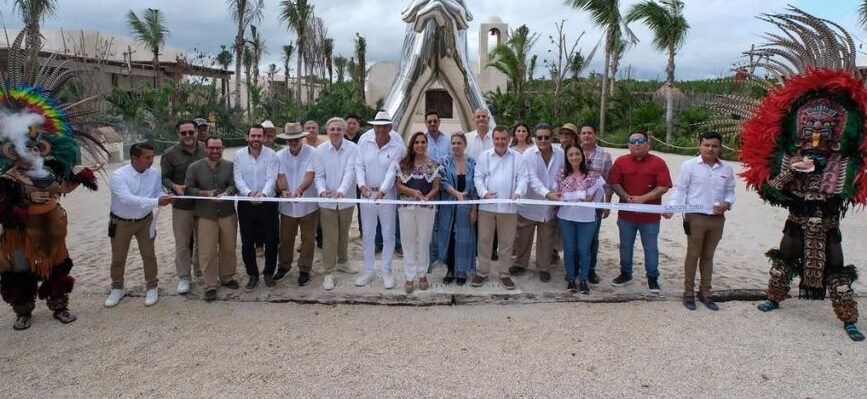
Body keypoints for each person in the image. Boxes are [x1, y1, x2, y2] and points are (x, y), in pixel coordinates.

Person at [0, 134, 103, 329]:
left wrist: (84, 174)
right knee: (20, 271)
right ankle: (23, 312)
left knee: (58, 268)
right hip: (22, 235)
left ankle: (59, 307)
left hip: (53, 229)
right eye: (29, 149)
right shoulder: (7, 179)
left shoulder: (48, 171)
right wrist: (25, 200)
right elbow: (2, 209)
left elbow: (65, 187)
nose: (35, 152)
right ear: (17, 154)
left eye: (37, 148)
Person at [665, 131, 735, 311]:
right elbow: (681, 189)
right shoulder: (689, 166)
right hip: (695, 217)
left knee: (708, 256)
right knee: (693, 254)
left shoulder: (726, 168)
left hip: (717, 219)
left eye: (714, 146)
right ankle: (688, 292)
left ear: (720, 147)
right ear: (700, 145)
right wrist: (672, 208)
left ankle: (706, 293)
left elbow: (730, 191)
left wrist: (727, 203)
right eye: (707, 145)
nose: (710, 149)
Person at [106, 143, 174, 308]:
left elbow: (157, 192)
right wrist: (157, 201)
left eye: (152, 157)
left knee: (149, 255)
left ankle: (152, 286)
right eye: (147, 157)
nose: (151, 161)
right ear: (135, 158)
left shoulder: (154, 174)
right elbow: (127, 200)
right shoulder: (118, 176)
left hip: (145, 220)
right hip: (121, 222)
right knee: (119, 257)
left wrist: (166, 196)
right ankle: (117, 288)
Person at [607, 131, 672, 293]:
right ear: (628, 145)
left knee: (650, 248)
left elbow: (663, 187)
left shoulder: (658, 163)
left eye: (641, 141)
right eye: (633, 141)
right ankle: (625, 273)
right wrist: (625, 196)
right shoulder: (621, 162)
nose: (637, 144)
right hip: (626, 215)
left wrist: (643, 198)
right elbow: (614, 182)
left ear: (648, 144)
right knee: (625, 246)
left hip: (650, 217)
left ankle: (652, 277)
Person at [184, 136, 240, 302]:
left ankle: (227, 277)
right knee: (207, 251)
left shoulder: (230, 166)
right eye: (212, 148)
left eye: (218, 148)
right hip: (205, 215)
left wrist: (227, 193)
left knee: (229, 248)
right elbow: (188, 189)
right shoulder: (194, 167)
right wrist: (205, 194)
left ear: (222, 148)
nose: (215, 151)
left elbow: (234, 185)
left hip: (227, 213)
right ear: (206, 149)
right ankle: (210, 285)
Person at [472, 126, 527, 290]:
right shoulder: (484, 156)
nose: (500, 142)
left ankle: (504, 274)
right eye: (497, 139)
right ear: (493, 139)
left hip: (509, 208)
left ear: (509, 139)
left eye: (503, 139)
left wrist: (518, 193)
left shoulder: (518, 157)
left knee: (506, 243)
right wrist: (483, 193)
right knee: (484, 241)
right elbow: (478, 177)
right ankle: (482, 272)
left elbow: (523, 178)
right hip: (487, 207)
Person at [355, 111, 405, 289]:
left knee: (388, 234)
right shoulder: (364, 142)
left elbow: (393, 171)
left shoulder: (397, 146)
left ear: (390, 128)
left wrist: (382, 191)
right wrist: (362, 185)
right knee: (367, 234)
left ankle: (387, 271)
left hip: (387, 195)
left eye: (384, 127)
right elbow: (359, 165)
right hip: (366, 194)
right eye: (378, 126)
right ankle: (369, 270)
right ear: (374, 127)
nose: (381, 130)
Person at [511, 123, 563, 282]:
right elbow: (531, 179)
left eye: (546, 137)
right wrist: (548, 194)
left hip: (549, 207)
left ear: (551, 138)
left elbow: (561, 174)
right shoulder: (527, 154)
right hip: (529, 205)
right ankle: (520, 263)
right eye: (539, 137)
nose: (543, 140)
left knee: (546, 240)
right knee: (523, 238)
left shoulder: (560, 153)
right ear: (535, 138)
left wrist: (554, 192)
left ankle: (543, 267)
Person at [390, 132, 441, 293]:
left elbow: (436, 187)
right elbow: (398, 185)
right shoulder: (403, 164)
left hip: (426, 208)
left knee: (424, 241)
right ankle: (410, 276)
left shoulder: (434, 164)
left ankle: (423, 274)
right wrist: (413, 193)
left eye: (423, 142)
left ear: (427, 144)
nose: (420, 145)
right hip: (406, 207)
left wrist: (426, 197)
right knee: (408, 242)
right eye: (417, 142)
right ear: (412, 144)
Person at [551, 144, 605, 294]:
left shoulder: (593, 175)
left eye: (577, 154)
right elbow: (555, 193)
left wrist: (592, 197)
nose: (574, 157)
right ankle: (570, 278)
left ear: (582, 155)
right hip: (566, 218)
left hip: (587, 219)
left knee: (584, 250)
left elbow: (600, 194)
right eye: (571, 155)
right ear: (567, 158)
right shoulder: (561, 175)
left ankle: (583, 280)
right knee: (569, 249)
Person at [313, 117, 359, 291]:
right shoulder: (320, 151)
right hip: (327, 201)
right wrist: (322, 191)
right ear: (327, 131)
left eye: (339, 129)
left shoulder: (354, 149)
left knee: (344, 233)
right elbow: (319, 176)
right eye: (332, 129)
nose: (335, 132)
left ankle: (343, 261)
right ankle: (328, 272)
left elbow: (350, 172)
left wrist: (341, 190)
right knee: (330, 236)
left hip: (346, 198)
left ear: (344, 131)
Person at [161, 120, 205, 295]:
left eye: (190, 132)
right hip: (182, 206)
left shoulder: (205, 149)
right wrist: (173, 186)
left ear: (196, 132)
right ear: (178, 134)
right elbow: (163, 177)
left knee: (202, 241)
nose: (188, 136)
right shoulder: (169, 154)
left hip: (203, 204)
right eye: (183, 133)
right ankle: (184, 277)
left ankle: (200, 270)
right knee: (182, 243)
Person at [233, 124, 279, 290]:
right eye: (253, 136)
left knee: (271, 241)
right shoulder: (238, 155)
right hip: (246, 203)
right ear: (247, 137)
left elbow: (271, 178)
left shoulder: (272, 155)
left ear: (264, 138)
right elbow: (238, 178)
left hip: (268, 204)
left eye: (259, 136)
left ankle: (268, 273)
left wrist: (264, 195)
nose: (256, 139)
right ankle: (252, 274)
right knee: (247, 242)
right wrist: (248, 193)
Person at [274, 123, 318, 287]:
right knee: (286, 238)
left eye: (296, 138)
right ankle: (284, 266)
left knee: (308, 239)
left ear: (301, 137)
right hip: (287, 205)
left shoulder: (313, 153)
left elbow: (310, 174)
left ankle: (305, 269)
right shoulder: (279, 155)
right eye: (290, 139)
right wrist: (284, 190)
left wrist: (300, 190)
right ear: (286, 140)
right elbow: (280, 176)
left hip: (308, 204)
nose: (293, 142)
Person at [432, 133, 477, 286]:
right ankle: (450, 269)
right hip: (448, 205)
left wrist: (474, 209)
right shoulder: (444, 161)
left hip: (467, 206)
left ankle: (461, 271)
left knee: (464, 239)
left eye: (459, 143)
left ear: (465, 144)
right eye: (453, 143)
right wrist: (456, 193)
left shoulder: (472, 163)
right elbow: (442, 182)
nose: (456, 146)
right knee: (449, 238)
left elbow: (476, 186)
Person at [579, 122, 613, 284]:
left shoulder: (605, 155)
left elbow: (608, 181)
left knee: (593, 237)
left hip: (596, 203)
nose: (586, 136)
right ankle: (574, 267)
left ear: (595, 135)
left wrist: (608, 203)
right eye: (584, 133)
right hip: (575, 203)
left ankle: (591, 269)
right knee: (574, 236)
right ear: (580, 135)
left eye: (589, 133)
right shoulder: (571, 151)